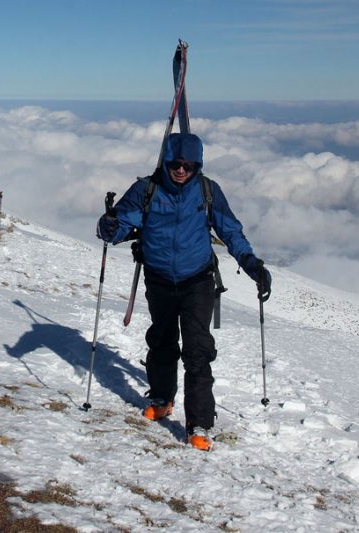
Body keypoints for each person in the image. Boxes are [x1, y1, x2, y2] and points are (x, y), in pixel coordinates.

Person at [96, 132, 271, 451]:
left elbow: (230, 230)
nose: (181, 170)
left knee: (197, 349)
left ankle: (199, 423)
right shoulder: (146, 190)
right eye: (175, 163)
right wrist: (108, 225)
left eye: (189, 165)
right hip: (159, 277)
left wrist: (251, 264)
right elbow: (116, 227)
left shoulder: (207, 191)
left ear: (198, 165)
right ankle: (162, 398)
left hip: (197, 280)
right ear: (166, 162)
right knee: (161, 340)